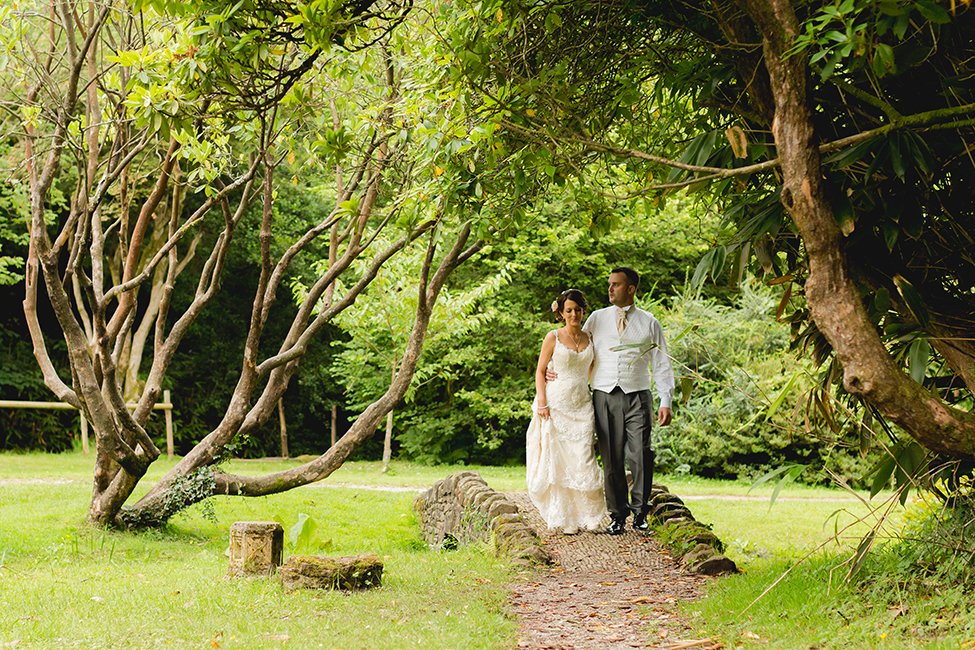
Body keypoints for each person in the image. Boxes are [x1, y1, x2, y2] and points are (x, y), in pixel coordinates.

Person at [560, 268, 674, 535]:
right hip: (604, 395)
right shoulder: (597, 319)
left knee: (641, 454)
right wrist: (557, 370)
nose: (609, 289)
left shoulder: (649, 322)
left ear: (631, 289)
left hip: (638, 395)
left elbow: (662, 362)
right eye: (609, 284)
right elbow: (578, 348)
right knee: (611, 458)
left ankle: (640, 513)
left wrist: (666, 399)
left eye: (616, 285)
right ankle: (617, 515)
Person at [525, 289, 605, 534]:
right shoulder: (553, 337)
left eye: (578, 310)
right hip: (556, 405)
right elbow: (540, 371)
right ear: (561, 312)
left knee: (584, 458)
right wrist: (542, 401)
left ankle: (592, 516)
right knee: (560, 461)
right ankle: (568, 518)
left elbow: (593, 369)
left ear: (583, 311)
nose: (574, 314)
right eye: (568, 310)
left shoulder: (590, 337)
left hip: (582, 404)